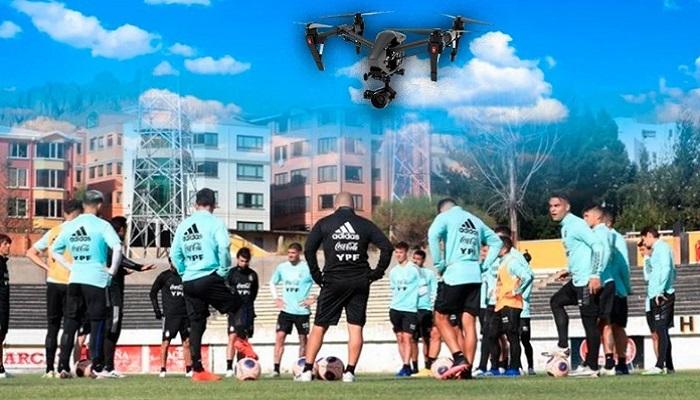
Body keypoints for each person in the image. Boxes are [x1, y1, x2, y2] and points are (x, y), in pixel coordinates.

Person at [297, 191, 393, 383]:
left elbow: (308, 249)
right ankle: (349, 372)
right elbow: (387, 247)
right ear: (354, 206)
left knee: (319, 327)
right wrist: (376, 273)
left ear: (335, 205)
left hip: (333, 281)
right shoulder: (365, 224)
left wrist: (317, 274)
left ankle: (307, 371)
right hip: (359, 281)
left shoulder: (325, 223)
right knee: (355, 328)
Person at [171, 188, 242, 382]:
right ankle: (241, 341)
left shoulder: (184, 225)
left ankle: (198, 370)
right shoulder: (215, 223)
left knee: (197, 324)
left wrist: (184, 272)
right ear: (214, 205)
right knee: (237, 305)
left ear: (196, 204)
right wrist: (224, 270)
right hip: (209, 276)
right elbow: (224, 247)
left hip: (189, 281)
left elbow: (174, 254)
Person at [428, 198, 502, 379]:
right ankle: (467, 370)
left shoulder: (445, 217)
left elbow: (432, 235)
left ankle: (459, 357)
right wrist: (485, 265)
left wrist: (439, 263)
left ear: (441, 211)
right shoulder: (474, 220)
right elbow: (497, 242)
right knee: (468, 323)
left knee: (440, 317)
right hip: (474, 276)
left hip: (454, 274)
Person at [52, 190, 122, 379]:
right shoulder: (102, 225)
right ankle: (96, 366)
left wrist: (70, 265)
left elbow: (54, 250)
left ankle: (63, 366)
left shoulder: (70, 225)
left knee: (70, 323)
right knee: (97, 322)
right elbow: (117, 247)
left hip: (75, 279)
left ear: (83, 205)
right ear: (99, 205)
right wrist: (112, 271)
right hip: (96, 279)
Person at [546, 194, 607, 377]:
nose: (553, 209)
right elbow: (579, 252)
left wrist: (595, 275)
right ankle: (564, 346)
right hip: (576, 280)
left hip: (586, 282)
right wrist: (570, 270)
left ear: (567, 207)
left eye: (557, 205)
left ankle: (593, 366)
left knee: (589, 323)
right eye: (551, 206)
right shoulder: (565, 227)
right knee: (556, 301)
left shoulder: (577, 224)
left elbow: (598, 246)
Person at [25, 199, 83, 377]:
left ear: (64, 213)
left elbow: (30, 252)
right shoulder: (79, 232)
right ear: (78, 213)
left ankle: (49, 369)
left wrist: (48, 268)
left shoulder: (53, 232)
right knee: (70, 326)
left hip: (53, 282)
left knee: (52, 326)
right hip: (72, 283)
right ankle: (63, 367)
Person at [103, 216, 155, 378]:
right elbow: (120, 259)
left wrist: (123, 271)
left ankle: (106, 366)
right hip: (113, 295)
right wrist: (139, 267)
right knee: (112, 328)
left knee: (113, 329)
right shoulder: (113, 243)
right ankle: (107, 367)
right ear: (120, 230)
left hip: (114, 292)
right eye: (125, 229)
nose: (126, 233)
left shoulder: (108, 243)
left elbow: (114, 263)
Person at [268, 243, 315, 378]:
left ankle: (301, 368)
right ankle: (276, 369)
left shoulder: (307, 268)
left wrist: (314, 298)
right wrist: (276, 298)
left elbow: (323, 284)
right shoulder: (282, 267)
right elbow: (272, 282)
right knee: (279, 337)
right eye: (289, 252)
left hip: (302, 311)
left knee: (303, 340)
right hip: (286, 311)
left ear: (299, 253)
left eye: (293, 253)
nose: (290, 255)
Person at [490, 236, 533, 377]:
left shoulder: (512, 262)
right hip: (500, 304)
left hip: (511, 304)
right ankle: (495, 368)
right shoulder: (502, 263)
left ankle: (514, 368)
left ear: (503, 248)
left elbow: (528, 276)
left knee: (512, 335)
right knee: (492, 334)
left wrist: (516, 291)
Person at [582, 205, 614, 376]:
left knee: (593, 322)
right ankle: (606, 362)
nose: (585, 219)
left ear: (598, 218)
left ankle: (591, 362)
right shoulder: (606, 233)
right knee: (602, 323)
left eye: (588, 215)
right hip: (606, 281)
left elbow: (604, 252)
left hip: (600, 282)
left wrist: (596, 275)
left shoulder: (599, 232)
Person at [640, 227, 676, 375]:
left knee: (661, 330)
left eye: (644, 238)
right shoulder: (659, 249)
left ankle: (660, 365)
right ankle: (669, 366)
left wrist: (660, 290)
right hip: (657, 294)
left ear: (649, 235)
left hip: (661, 295)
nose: (643, 242)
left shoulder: (661, 248)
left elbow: (667, 269)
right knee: (663, 331)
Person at [150, 260, 192, 378]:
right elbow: (153, 292)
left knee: (187, 342)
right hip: (170, 316)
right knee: (166, 342)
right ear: (170, 262)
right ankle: (163, 369)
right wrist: (157, 310)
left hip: (185, 315)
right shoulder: (164, 276)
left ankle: (189, 369)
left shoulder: (186, 275)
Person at [602, 209, 632, 375]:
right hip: (619, 288)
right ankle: (621, 363)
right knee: (618, 326)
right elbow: (625, 266)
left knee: (607, 325)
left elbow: (623, 265)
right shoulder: (618, 238)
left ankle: (609, 362)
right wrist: (626, 287)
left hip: (609, 288)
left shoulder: (609, 237)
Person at [225, 247, 259, 377]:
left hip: (247, 311)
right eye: (241, 260)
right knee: (232, 337)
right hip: (234, 311)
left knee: (243, 340)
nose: (243, 263)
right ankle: (228, 367)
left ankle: (240, 366)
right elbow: (226, 290)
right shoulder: (231, 274)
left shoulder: (252, 275)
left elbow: (254, 293)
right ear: (237, 259)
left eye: (246, 261)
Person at [389, 242, 421, 378]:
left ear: (406, 253)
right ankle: (404, 364)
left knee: (408, 338)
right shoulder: (393, 272)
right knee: (400, 338)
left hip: (409, 309)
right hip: (395, 308)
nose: (398, 255)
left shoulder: (414, 269)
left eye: (400, 252)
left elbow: (422, 287)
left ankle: (407, 366)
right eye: (396, 252)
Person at [411, 248, 439, 377]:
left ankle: (428, 365)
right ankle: (414, 367)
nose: (416, 261)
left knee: (426, 339)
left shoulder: (429, 274)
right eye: (414, 259)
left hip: (425, 309)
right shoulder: (409, 273)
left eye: (419, 259)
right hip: (411, 309)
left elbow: (434, 291)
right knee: (412, 338)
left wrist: (432, 308)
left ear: (423, 260)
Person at [0, 234, 12, 379]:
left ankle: (1, 367)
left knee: (2, 336)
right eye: (5, 243)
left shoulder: (4, 263)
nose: (8, 246)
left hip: (4, 305)